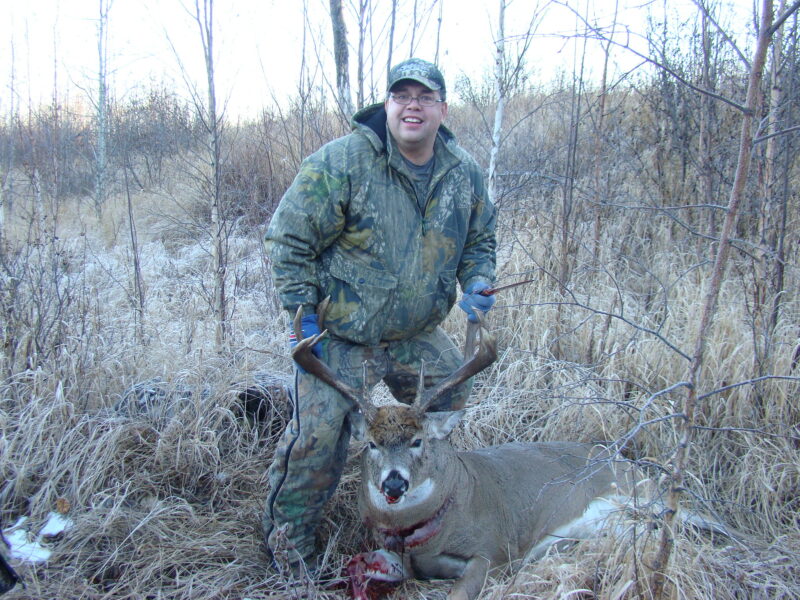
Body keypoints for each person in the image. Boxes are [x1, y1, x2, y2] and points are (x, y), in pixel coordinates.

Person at [262, 57, 497, 574]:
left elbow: (480, 240)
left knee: (450, 395)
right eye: (402, 96)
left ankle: (423, 511)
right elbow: (288, 239)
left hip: (417, 335)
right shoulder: (342, 162)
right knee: (318, 438)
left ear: (442, 108)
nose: (413, 106)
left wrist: (479, 279)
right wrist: (303, 317)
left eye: (425, 97)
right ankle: (289, 546)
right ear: (386, 105)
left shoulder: (464, 175)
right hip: (341, 337)